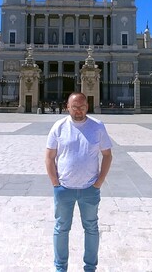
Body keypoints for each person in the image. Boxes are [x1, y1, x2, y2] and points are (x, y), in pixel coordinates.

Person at [45, 92, 113, 272]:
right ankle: (61, 268)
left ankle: (90, 268)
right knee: (61, 228)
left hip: (89, 189)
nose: (78, 111)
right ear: (67, 107)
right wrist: (55, 183)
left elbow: (107, 155)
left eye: (82, 107)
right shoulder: (59, 127)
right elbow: (49, 157)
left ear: (87, 107)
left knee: (91, 229)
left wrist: (99, 182)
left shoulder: (97, 126)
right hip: (64, 189)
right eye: (74, 107)